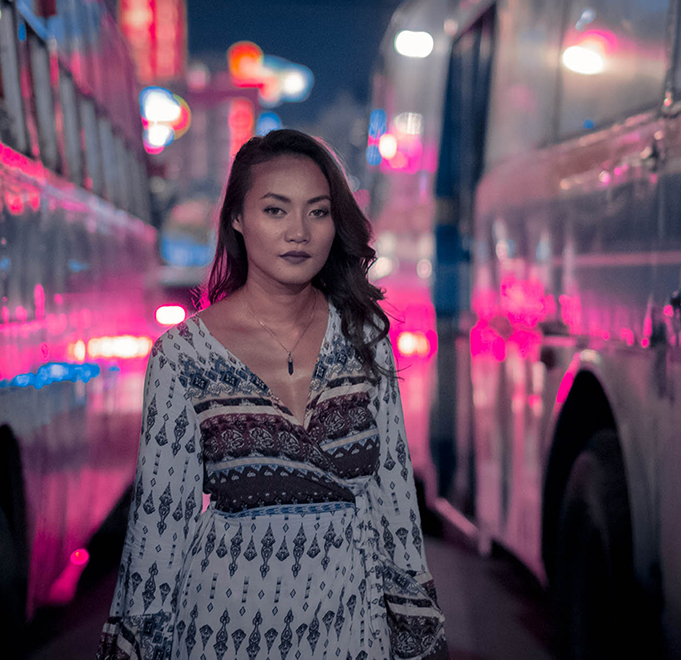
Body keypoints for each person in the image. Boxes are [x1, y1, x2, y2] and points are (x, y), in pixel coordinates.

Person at [99, 129, 448, 660]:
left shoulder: (365, 339)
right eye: (276, 211)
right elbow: (158, 530)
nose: (299, 233)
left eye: (319, 212)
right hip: (220, 630)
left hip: (351, 629)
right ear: (237, 219)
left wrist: (419, 636)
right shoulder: (183, 356)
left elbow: (395, 506)